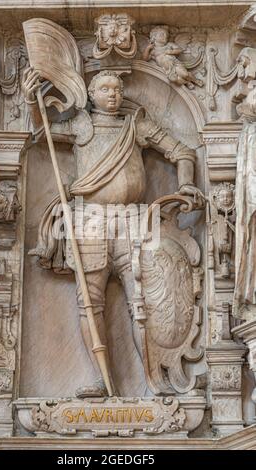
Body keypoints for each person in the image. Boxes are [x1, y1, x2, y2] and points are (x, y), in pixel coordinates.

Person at [22, 68, 204, 397]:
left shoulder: (136, 125)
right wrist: (31, 99)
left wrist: (188, 183)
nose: (113, 94)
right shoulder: (81, 124)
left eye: (117, 88)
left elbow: (182, 151)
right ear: (91, 94)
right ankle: (103, 381)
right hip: (89, 219)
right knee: (89, 304)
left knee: (144, 300)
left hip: (133, 219)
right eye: (105, 88)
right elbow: (40, 130)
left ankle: (153, 383)